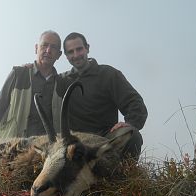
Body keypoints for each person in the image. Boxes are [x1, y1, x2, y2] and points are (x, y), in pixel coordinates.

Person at [62, 32, 148, 160]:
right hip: (73, 145)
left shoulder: (108, 74)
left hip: (105, 141)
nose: (76, 55)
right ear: (66, 56)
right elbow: (42, 81)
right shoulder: (61, 81)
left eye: (79, 49)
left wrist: (130, 123)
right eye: (71, 52)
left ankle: (122, 177)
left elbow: (134, 102)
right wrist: (28, 69)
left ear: (87, 48)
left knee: (132, 135)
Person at [0, 30, 63, 147]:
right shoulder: (18, 74)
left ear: (59, 54)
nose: (48, 50)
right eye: (44, 45)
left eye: (53, 47)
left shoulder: (62, 84)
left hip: (47, 153)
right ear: (36, 48)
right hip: (13, 149)